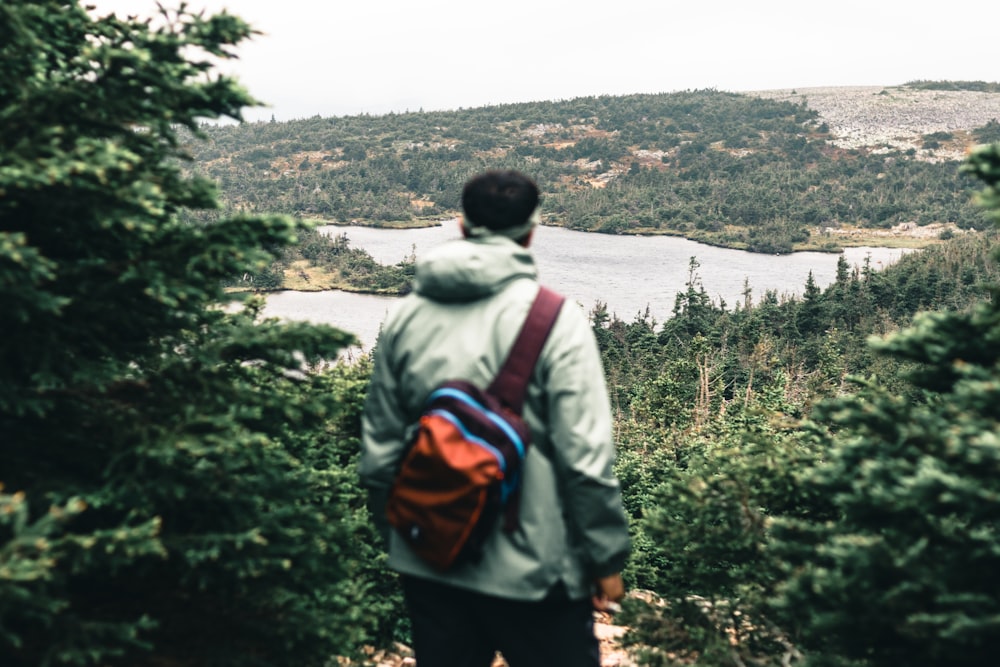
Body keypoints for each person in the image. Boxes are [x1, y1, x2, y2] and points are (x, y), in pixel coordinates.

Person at [360, 170, 631, 667]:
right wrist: (605, 559)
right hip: (532, 569)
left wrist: (407, 537)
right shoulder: (556, 320)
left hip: (430, 560)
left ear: (462, 225)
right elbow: (586, 460)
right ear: (532, 230)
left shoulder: (405, 316)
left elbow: (379, 453)